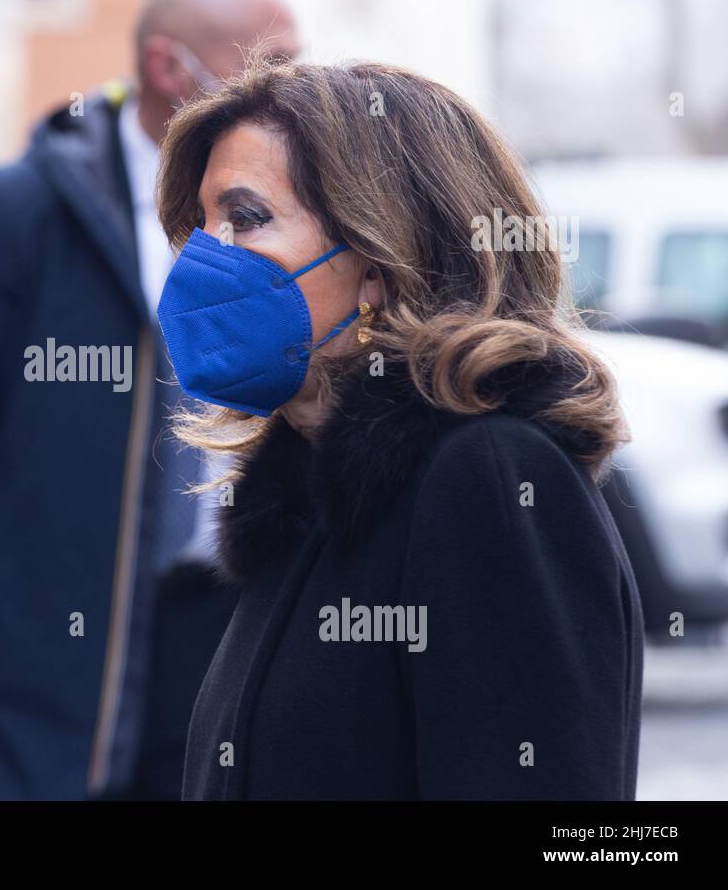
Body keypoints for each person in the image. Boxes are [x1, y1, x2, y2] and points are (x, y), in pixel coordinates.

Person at [154, 60, 643, 799]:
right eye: (201, 226)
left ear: (381, 263)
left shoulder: (491, 476)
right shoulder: (304, 501)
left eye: (245, 219)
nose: (204, 258)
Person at [0, 0, 302, 800]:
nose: (294, 89)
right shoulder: (22, 209)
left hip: (231, 619)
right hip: (55, 655)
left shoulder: (290, 210)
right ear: (170, 67)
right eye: (270, 64)